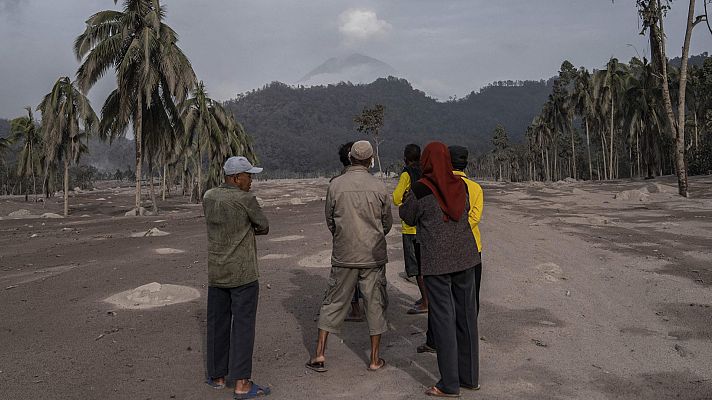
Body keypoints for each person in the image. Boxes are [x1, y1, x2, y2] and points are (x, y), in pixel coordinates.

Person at [400, 142, 480, 397]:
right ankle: (470, 378)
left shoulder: (421, 189)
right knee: (466, 317)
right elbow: (464, 212)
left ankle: (449, 383)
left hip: (437, 262)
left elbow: (408, 216)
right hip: (466, 258)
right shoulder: (462, 186)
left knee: (443, 319)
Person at [306, 140, 393, 372]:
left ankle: (319, 354)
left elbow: (330, 220)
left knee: (333, 302)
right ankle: (374, 359)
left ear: (351, 158)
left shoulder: (335, 185)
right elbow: (387, 223)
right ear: (369, 160)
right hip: (372, 255)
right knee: (374, 304)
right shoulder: (379, 186)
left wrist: (342, 236)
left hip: (344, 253)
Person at [202, 156, 271, 399]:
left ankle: (218, 375)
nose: (251, 181)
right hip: (243, 273)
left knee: (217, 323)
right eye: (249, 176)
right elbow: (263, 226)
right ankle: (242, 382)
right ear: (236, 178)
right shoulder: (245, 199)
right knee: (243, 325)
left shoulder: (209, 196)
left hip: (217, 271)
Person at [392, 144, 428, 315]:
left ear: (405, 157)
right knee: (426, 265)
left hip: (410, 228)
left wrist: (405, 201)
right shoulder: (426, 171)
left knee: (416, 267)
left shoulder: (406, 174)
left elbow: (396, 197)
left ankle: (426, 302)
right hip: (426, 225)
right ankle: (427, 297)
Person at [448, 145, 484, 313]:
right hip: (471, 245)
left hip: (446, 245)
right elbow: (475, 217)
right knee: (471, 293)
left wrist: (450, 229)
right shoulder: (475, 187)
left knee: (448, 293)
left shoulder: (442, 186)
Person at [332, 141, 364, 322]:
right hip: (368, 239)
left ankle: (355, 309)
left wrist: (338, 233)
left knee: (347, 274)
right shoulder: (371, 182)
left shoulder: (335, 183)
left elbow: (330, 217)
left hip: (345, 239)